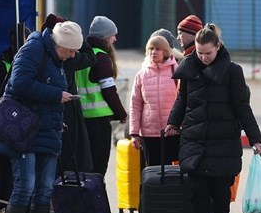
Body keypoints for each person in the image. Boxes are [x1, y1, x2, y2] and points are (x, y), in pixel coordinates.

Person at [165, 23, 261, 213]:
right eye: (199, 53)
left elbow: (242, 107)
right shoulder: (189, 68)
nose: (204, 57)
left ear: (218, 46)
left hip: (224, 140)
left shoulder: (233, 72)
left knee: (220, 192)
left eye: (208, 52)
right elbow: (182, 100)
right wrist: (172, 121)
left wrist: (255, 138)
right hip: (194, 138)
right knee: (197, 191)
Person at [0, 21, 84, 213]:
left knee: (45, 188)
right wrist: (56, 95)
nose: (73, 55)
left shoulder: (55, 59)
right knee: (25, 186)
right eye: (71, 50)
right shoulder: (34, 48)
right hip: (25, 132)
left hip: (48, 131)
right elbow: (19, 82)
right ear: (61, 45)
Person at [43, 14, 96, 177]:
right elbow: (90, 57)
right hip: (68, 110)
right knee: (71, 157)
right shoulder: (67, 57)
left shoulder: (42, 51)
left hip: (50, 114)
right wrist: (74, 32)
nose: (72, 54)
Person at [75, 16, 128, 179]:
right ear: (105, 37)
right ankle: (96, 201)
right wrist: (121, 114)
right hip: (99, 121)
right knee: (99, 169)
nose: (115, 39)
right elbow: (109, 90)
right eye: (113, 35)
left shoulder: (80, 54)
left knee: (85, 168)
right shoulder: (102, 57)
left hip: (81, 118)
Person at [0, 23, 31, 205]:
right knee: (11, 171)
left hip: (8, 123)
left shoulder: (5, 62)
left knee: (9, 170)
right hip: (12, 123)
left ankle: (9, 210)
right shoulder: (10, 63)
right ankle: (8, 210)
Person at [129, 36, 179, 165]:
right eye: (151, 49)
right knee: (153, 171)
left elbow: (183, 101)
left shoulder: (177, 71)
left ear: (166, 52)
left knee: (172, 173)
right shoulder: (141, 75)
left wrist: (179, 125)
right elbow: (135, 105)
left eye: (158, 49)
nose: (153, 52)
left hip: (172, 133)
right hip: (149, 133)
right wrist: (134, 133)